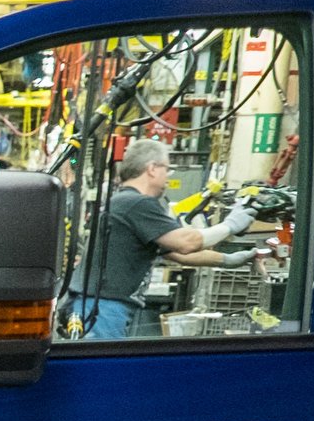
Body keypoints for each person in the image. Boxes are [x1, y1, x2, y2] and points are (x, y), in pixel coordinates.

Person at [70, 138, 262, 340]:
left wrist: (227, 260)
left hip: (102, 306)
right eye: (166, 169)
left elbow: (180, 254)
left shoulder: (125, 202)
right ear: (152, 169)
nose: (168, 178)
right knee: (103, 369)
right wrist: (230, 224)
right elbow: (187, 242)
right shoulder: (136, 203)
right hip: (103, 309)